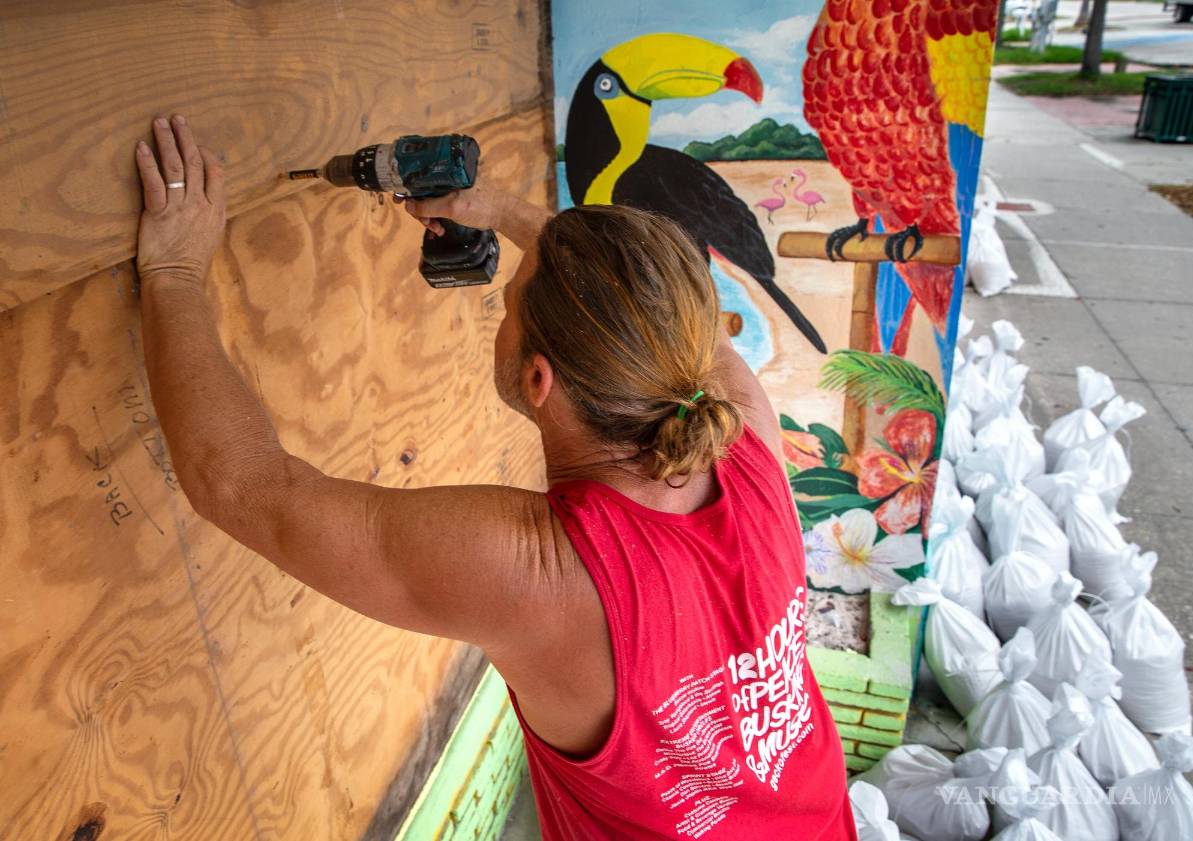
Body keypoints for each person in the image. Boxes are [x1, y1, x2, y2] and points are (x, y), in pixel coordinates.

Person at [134, 115, 855, 840]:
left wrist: (173, 272)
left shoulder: (546, 575)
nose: (504, 310)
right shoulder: (745, 424)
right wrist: (503, 212)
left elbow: (244, 487)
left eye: (508, 304)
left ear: (538, 378)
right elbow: (639, 305)